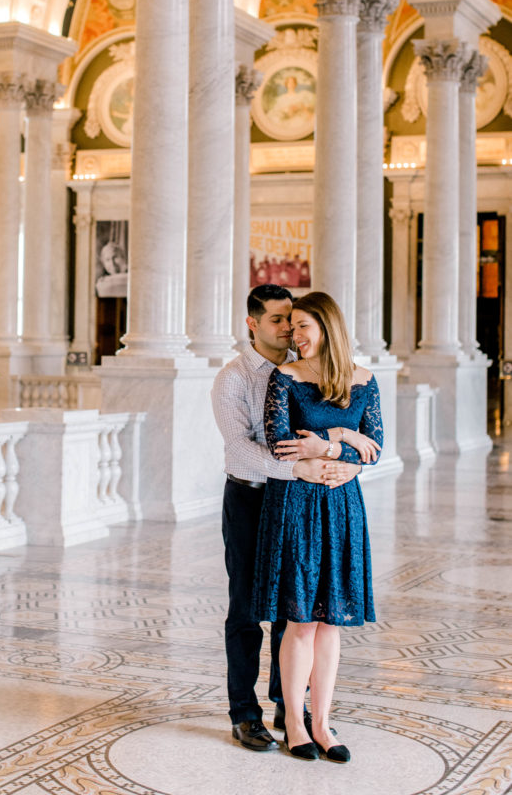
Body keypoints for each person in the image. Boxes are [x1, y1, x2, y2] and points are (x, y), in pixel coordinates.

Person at [211, 285, 362, 752]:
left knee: (293, 606)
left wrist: (342, 454)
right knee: (245, 610)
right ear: (252, 324)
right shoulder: (233, 378)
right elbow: (239, 448)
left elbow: (348, 431)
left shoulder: (309, 370)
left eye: (294, 320)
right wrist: (299, 467)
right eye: (278, 320)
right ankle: (245, 714)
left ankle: (288, 706)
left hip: (296, 502)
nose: (288, 329)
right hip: (251, 498)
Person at [252, 291, 383, 763]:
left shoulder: (365, 380)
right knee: (301, 621)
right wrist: (346, 440)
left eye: (304, 325)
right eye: (292, 326)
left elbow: (376, 447)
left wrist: (332, 443)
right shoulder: (283, 377)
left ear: (328, 328)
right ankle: (293, 722)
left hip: (343, 504)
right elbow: (280, 442)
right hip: (297, 504)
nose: (295, 335)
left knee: (332, 623)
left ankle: (323, 723)